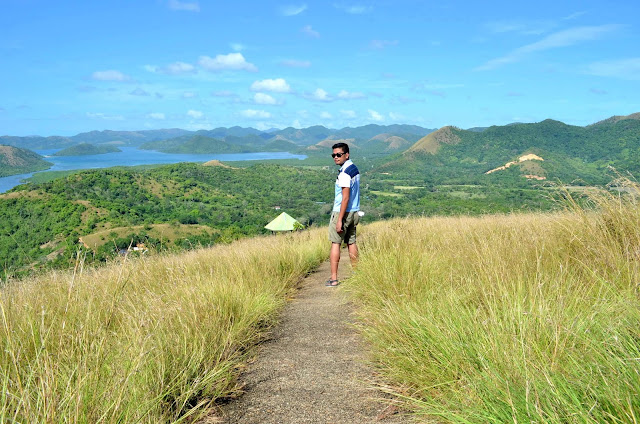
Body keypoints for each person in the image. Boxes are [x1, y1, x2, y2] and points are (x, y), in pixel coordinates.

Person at [326, 142, 360, 287]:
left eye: (339, 155)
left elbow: (345, 197)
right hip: (354, 211)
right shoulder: (354, 168)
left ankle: (334, 279)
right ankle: (358, 275)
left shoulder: (345, 173)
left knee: (336, 243)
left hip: (343, 212)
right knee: (351, 242)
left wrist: (339, 219)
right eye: (334, 155)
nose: (335, 157)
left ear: (347, 154)